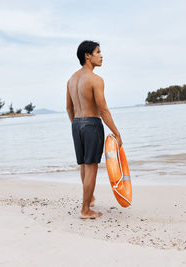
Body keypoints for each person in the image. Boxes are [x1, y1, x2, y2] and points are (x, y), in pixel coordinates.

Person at [66, 40, 122, 219]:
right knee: (91, 167)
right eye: (97, 52)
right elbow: (103, 109)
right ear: (87, 56)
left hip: (76, 124)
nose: (101, 55)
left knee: (84, 164)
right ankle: (85, 210)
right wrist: (117, 133)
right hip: (91, 123)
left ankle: (88, 200)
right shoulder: (95, 80)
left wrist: (77, 125)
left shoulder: (71, 79)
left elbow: (69, 108)